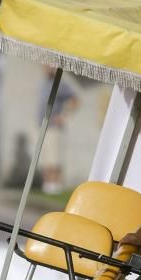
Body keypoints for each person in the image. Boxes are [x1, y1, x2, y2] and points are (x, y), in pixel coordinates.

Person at [38, 66, 79, 194]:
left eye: (50, 66)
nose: (47, 68)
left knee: (54, 158)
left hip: (54, 128)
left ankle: (54, 186)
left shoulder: (61, 85)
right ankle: (47, 186)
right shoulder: (44, 83)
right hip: (42, 127)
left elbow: (75, 100)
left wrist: (63, 116)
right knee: (45, 158)